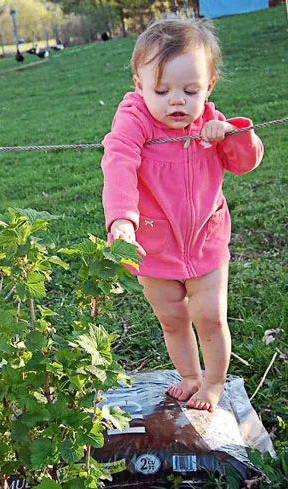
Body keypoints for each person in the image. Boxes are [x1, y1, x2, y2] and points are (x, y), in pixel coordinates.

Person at [101, 17, 264, 412]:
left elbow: (245, 162)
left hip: (206, 239)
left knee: (209, 316)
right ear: (139, 86)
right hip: (154, 247)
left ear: (208, 86)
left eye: (190, 90)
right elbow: (119, 160)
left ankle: (213, 383)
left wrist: (232, 133)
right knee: (173, 319)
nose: (177, 100)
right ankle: (189, 375)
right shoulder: (134, 119)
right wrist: (122, 217)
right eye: (162, 90)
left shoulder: (210, 120)